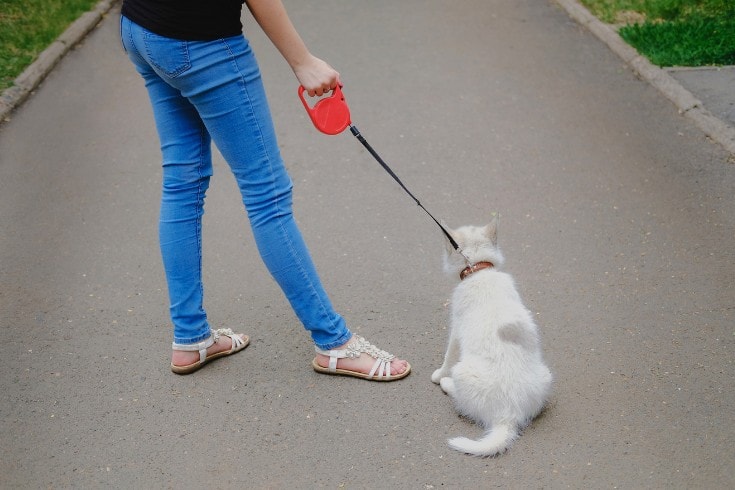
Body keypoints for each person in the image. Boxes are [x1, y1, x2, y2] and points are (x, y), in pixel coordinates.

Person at [119, 0, 410, 380]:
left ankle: (190, 337)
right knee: (267, 196)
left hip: (142, 28)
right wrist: (302, 61)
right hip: (201, 41)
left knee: (182, 182)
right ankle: (335, 343)